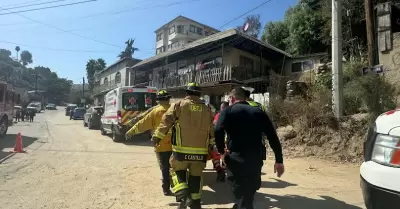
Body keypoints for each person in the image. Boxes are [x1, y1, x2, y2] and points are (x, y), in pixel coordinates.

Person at [214, 87, 284, 209]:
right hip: (255, 160)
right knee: (248, 194)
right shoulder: (258, 112)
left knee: (241, 195)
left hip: (236, 159)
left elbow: (217, 130)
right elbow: (272, 137)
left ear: (232, 98)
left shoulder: (227, 111)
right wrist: (279, 161)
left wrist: (221, 152)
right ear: (245, 98)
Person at [152, 82, 215, 209]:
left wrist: (157, 136)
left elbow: (166, 120)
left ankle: (184, 196)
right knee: (196, 177)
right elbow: (211, 129)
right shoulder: (208, 109)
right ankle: (195, 203)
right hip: (200, 153)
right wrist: (211, 145)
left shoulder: (179, 105)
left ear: (187, 93)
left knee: (175, 171)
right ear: (199, 94)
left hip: (181, 152)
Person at [125, 90, 173, 196]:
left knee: (164, 168)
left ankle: (166, 189)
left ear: (158, 100)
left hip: (161, 145)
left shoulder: (155, 111)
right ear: (168, 99)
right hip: (176, 145)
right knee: (175, 167)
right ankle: (178, 187)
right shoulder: (175, 109)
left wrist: (130, 132)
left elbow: (142, 123)